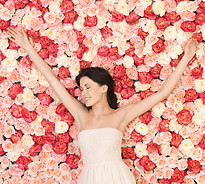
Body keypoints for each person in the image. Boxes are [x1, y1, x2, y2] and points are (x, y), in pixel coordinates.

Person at [7, 26, 198, 184]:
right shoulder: (81, 115)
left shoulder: (121, 115)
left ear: (104, 88)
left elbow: (162, 93)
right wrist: (26, 46)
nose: (84, 93)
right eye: (81, 89)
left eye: (88, 87)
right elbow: (51, 80)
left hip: (118, 178)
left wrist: (187, 57)